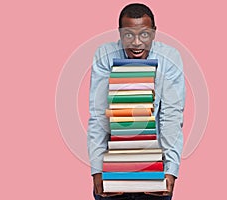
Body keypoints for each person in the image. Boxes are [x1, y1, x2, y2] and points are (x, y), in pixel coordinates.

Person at [87, 3, 185, 200]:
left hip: (155, 166)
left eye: (144, 34)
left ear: (154, 33)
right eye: (129, 35)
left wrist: (171, 169)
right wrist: (97, 170)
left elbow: (171, 116)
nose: (137, 42)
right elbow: (99, 115)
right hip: (112, 167)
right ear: (120, 33)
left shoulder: (170, 58)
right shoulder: (104, 55)